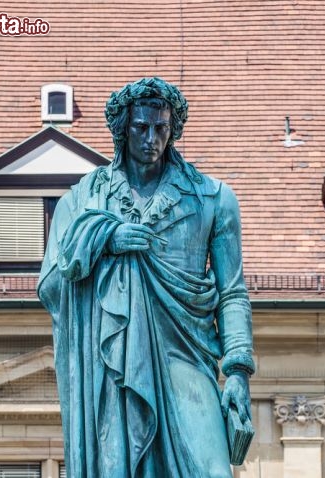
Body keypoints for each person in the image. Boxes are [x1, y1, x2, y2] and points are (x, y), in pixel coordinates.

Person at [37, 77, 254, 477]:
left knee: (211, 470)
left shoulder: (213, 197)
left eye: (161, 128)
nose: (151, 138)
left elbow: (233, 294)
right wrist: (102, 239)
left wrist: (238, 371)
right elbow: (51, 283)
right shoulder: (83, 200)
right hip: (113, 361)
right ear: (124, 129)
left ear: (173, 131)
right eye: (141, 127)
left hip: (186, 354)